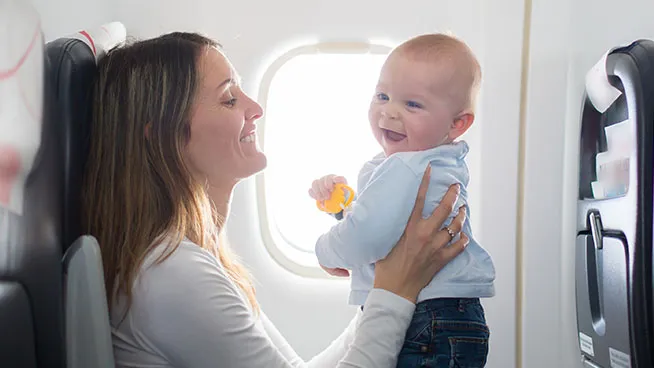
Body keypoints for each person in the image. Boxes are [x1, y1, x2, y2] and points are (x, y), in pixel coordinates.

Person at [81, 32, 468, 368]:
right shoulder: (171, 273)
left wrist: (391, 277)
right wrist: (394, 289)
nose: (256, 108)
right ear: (163, 134)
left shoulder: (198, 256)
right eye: (229, 99)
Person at [309, 34, 495, 367]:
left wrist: (325, 251)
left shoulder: (406, 167)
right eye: (383, 95)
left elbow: (368, 236)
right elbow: (391, 226)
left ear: (457, 124)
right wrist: (343, 209)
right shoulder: (434, 161)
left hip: (426, 319)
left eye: (412, 104)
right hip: (451, 317)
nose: (389, 113)